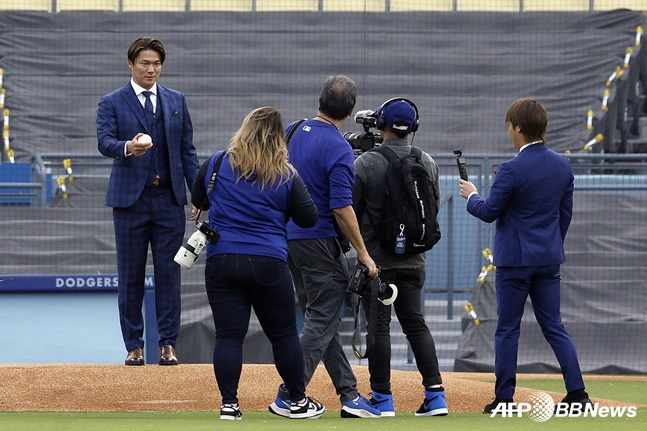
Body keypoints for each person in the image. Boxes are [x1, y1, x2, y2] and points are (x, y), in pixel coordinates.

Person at [458, 98, 591, 413]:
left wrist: (471, 195)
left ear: (518, 128)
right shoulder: (562, 164)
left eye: (509, 126)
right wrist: (551, 244)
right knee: (554, 326)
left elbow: (489, 211)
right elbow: (565, 214)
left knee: (507, 328)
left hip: (514, 262)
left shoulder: (511, 169)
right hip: (548, 258)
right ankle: (578, 395)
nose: (508, 132)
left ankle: (504, 398)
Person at [190, 106, 323, 420]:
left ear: (244, 130)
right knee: (284, 336)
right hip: (268, 262)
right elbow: (309, 218)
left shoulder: (218, 162)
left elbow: (199, 198)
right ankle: (298, 401)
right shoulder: (286, 174)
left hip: (222, 260)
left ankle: (229, 405)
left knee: (228, 336)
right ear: (279, 138)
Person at [268, 75, 382, 419]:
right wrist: (363, 252)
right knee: (322, 318)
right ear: (349, 111)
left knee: (323, 319)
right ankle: (290, 393)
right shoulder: (338, 147)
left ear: (320, 100)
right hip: (319, 242)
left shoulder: (291, 131)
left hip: (287, 242)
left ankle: (349, 395)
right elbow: (341, 207)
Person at [97, 36, 199, 366]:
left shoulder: (175, 100)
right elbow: (104, 141)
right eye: (145, 63)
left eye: (156, 63)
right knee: (130, 275)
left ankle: (168, 344)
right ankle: (134, 346)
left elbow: (187, 150)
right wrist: (128, 146)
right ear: (131, 64)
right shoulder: (111, 101)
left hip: (168, 198)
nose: (151, 69)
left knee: (171, 272)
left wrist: (197, 192)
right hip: (130, 200)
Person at [352, 98, 449, 417]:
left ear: (381, 125)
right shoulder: (428, 161)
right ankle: (436, 396)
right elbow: (431, 208)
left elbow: (350, 209)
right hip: (414, 261)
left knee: (378, 328)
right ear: (414, 127)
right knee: (416, 324)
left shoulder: (365, 162)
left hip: (376, 264)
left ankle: (382, 398)